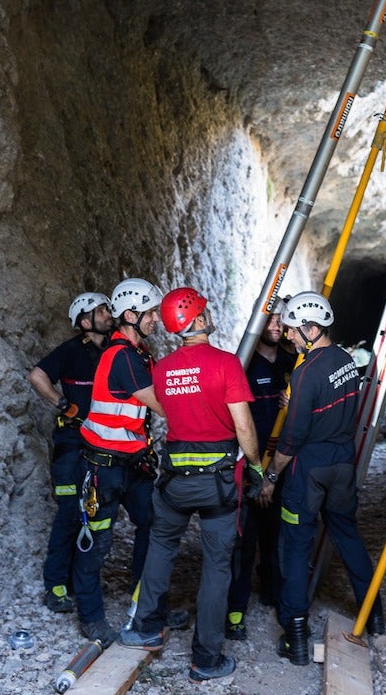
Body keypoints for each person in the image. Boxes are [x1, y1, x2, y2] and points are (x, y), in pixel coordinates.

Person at [119, 286, 264, 685]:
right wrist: (255, 465)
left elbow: (173, 411)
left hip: (173, 480)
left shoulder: (161, 369)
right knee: (216, 566)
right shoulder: (226, 364)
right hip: (216, 483)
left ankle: (146, 626)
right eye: (205, 311)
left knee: (161, 547)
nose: (208, 315)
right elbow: (243, 424)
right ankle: (205, 659)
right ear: (198, 320)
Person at [259, 291, 385, 667]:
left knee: (295, 545)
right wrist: (296, 399)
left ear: (312, 329)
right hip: (343, 461)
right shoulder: (345, 360)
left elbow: (292, 438)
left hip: (309, 467)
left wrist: (270, 476)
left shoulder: (305, 371)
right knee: (347, 534)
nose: (288, 337)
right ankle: (373, 612)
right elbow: (328, 399)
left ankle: (295, 635)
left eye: (295, 331)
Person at [72, 277, 166, 649]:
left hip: (133, 463)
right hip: (105, 466)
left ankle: (145, 607)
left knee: (153, 526)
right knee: (97, 540)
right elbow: (162, 402)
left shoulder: (140, 355)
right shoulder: (122, 357)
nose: (156, 318)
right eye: (151, 313)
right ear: (130, 315)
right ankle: (91, 617)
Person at [28, 292, 113, 613]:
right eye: (101, 311)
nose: (108, 314)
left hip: (101, 445)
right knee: (68, 514)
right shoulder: (71, 351)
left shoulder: (116, 350)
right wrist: (62, 403)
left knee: (94, 513)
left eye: (107, 309)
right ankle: (56, 585)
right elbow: (37, 376)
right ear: (84, 321)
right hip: (70, 447)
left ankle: (80, 581)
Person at [226, 301, 295, 639]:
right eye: (272, 318)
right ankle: (235, 612)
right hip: (250, 464)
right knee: (245, 540)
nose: (277, 325)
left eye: (283, 319)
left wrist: (291, 401)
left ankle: (273, 592)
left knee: (277, 536)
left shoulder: (291, 361)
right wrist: (256, 472)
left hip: (281, 463)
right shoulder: (242, 363)